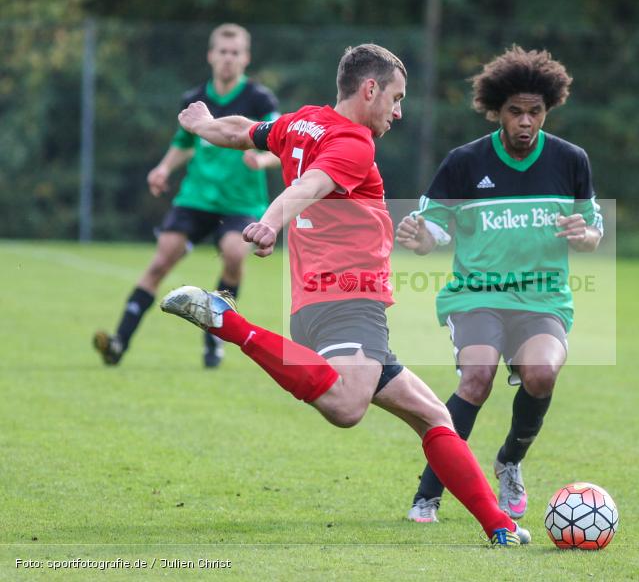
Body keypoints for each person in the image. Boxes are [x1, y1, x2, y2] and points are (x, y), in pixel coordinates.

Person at [159, 44, 529, 547]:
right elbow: (309, 185)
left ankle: (500, 527)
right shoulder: (355, 144)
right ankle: (228, 322)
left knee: (433, 416)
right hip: (348, 300)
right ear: (369, 89)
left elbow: (242, 132)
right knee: (346, 407)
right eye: (396, 98)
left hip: (317, 301)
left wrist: (203, 124)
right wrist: (269, 223)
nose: (399, 112)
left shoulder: (303, 122)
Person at [395, 46, 603, 524]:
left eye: (535, 112)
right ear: (497, 111)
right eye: (516, 112)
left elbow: (593, 234)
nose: (526, 122)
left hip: (542, 297)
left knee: (542, 374)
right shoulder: (465, 162)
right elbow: (434, 230)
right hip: (477, 296)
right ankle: (428, 494)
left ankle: (509, 460)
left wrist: (585, 235)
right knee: (477, 376)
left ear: (547, 109)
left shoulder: (571, 160)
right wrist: (420, 237)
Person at [93, 23, 280, 368]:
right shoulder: (194, 100)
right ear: (211, 56)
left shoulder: (260, 99)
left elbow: (281, 143)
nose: (228, 59)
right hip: (196, 198)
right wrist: (164, 169)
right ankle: (119, 341)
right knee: (161, 260)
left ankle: (216, 337)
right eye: (222, 52)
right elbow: (183, 144)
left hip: (240, 202)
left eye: (235, 53)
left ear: (246, 58)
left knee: (235, 255)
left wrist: (263, 158)